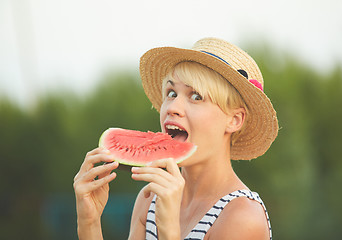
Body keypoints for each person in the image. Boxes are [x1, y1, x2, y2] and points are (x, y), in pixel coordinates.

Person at [73, 37, 278, 240]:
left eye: (196, 96)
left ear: (234, 120)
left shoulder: (242, 217)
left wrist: (169, 230)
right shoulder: (149, 200)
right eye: (171, 93)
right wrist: (89, 223)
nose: (172, 107)